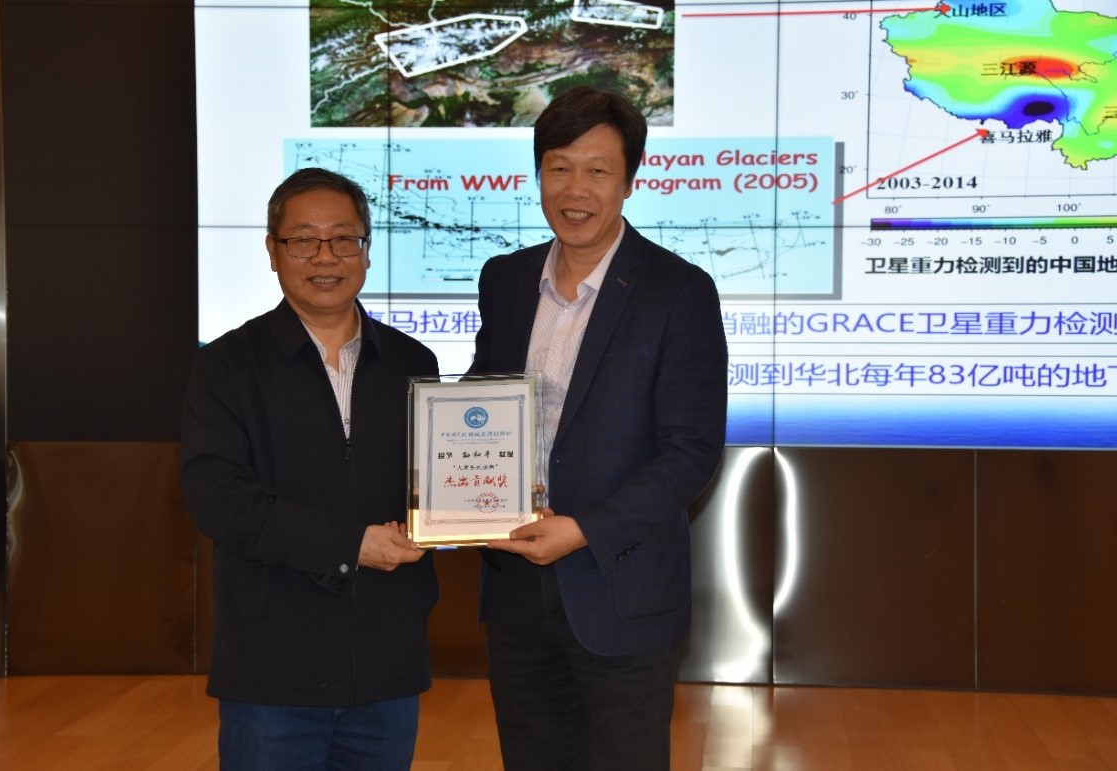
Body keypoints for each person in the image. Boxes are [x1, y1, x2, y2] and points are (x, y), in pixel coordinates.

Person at [468, 86, 729, 770]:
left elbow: (690, 450)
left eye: (597, 170)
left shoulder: (678, 291)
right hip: (515, 591)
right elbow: (480, 404)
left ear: (630, 180)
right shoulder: (505, 279)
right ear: (538, 174)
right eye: (558, 167)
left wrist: (583, 528)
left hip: (621, 590)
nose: (574, 189)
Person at [180, 167, 439, 770]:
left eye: (344, 238)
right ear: (273, 251)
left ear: (367, 250)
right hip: (272, 669)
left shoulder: (413, 362)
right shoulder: (227, 365)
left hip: (387, 665)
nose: (326, 256)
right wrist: (351, 544)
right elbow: (218, 499)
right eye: (303, 240)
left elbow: (436, 486)